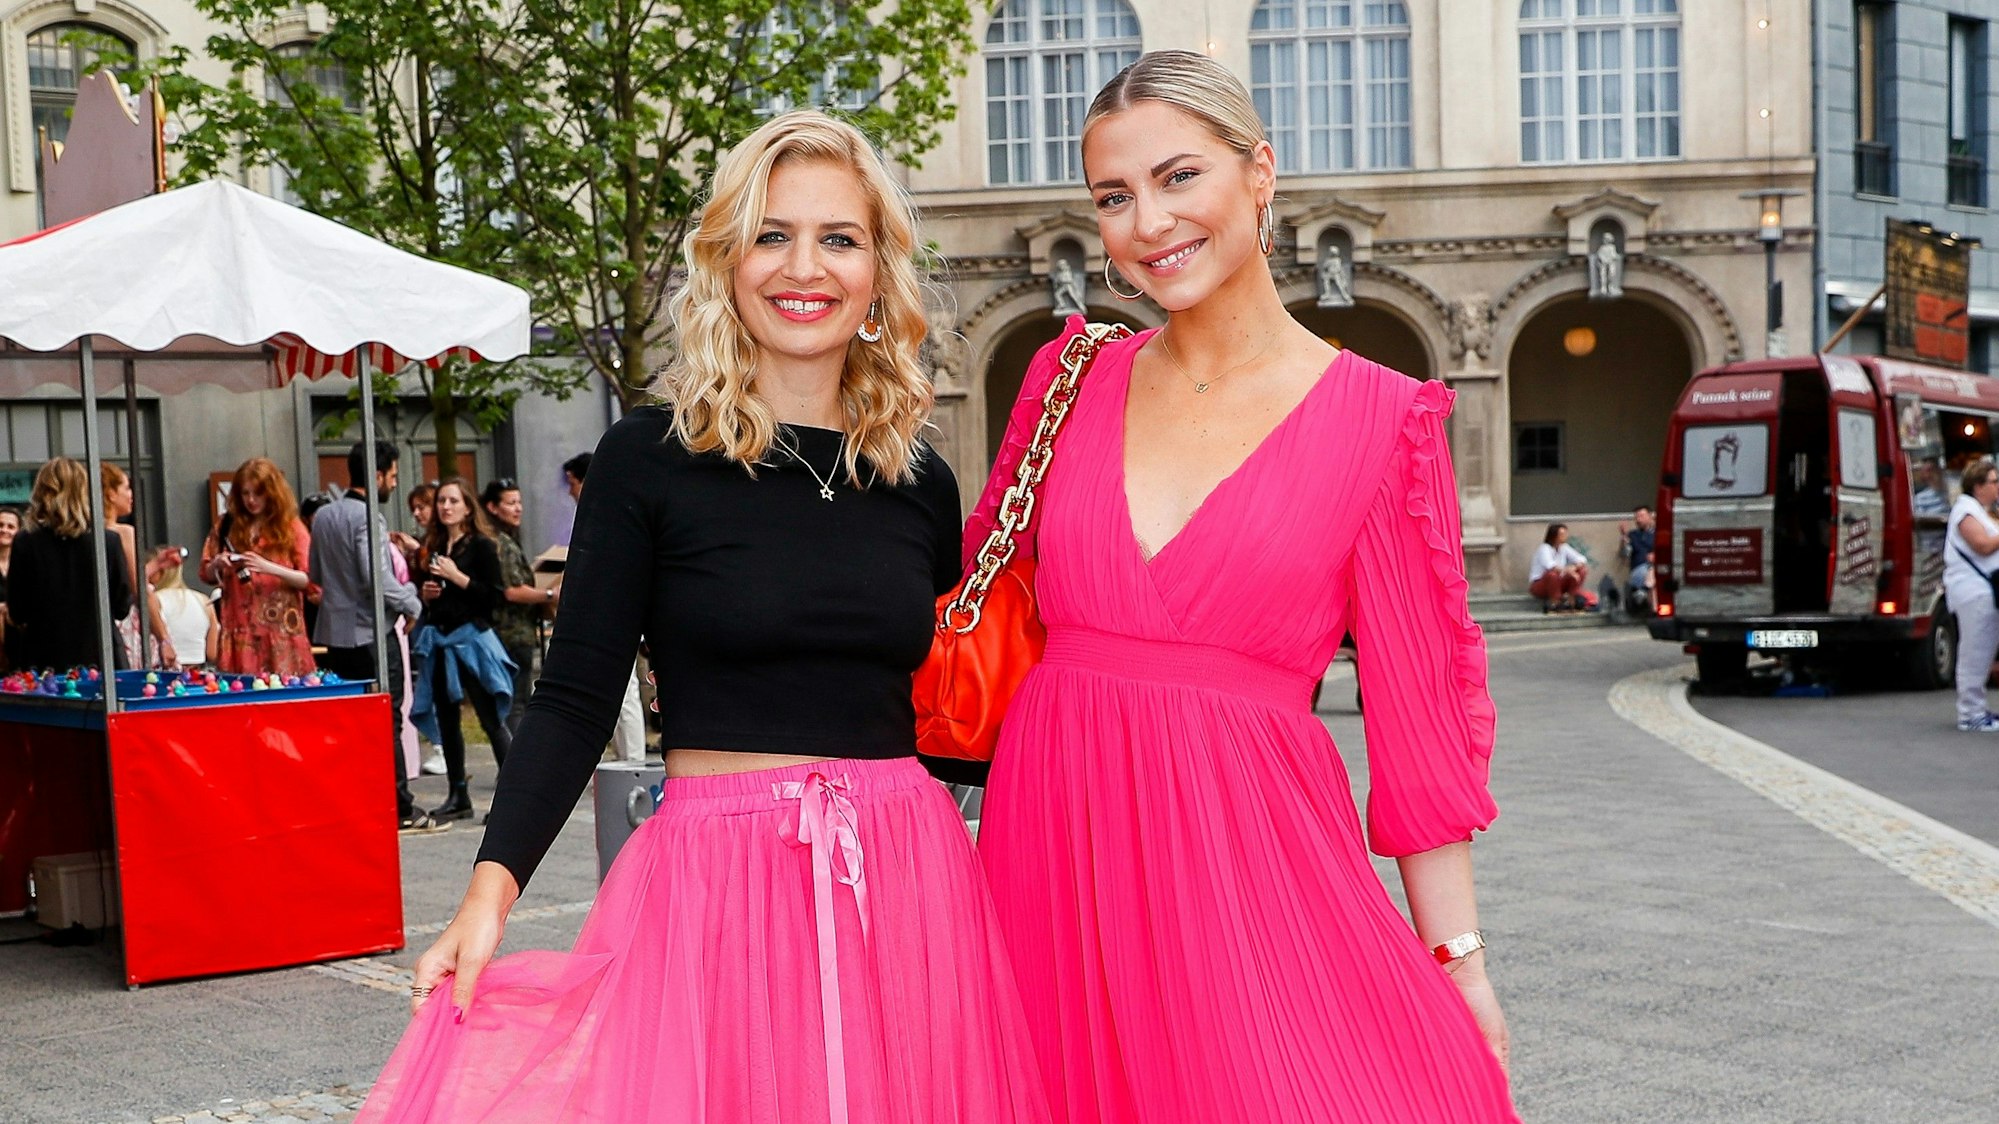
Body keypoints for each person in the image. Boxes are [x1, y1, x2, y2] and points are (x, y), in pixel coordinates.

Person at [357, 110, 1047, 1124]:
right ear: (727, 261)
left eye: (837, 238)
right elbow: (577, 695)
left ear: (877, 272)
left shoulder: (918, 478)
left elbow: (947, 706)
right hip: (715, 884)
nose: (802, 265)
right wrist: (486, 896)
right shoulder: (649, 457)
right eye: (771, 233)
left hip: (907, 880)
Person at [966, 52, 1514, 1123]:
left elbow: (1419, 723)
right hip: (1050, 851)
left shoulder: (1384, 420)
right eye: (1112, 197)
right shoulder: (1066, 381)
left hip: (1246, 860)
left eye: (1178, 178)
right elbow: (977, 593)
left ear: (1259, 173)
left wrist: (1460, 960)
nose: (1146, 222)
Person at [310, 441, 443, 833]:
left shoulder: (323, 516)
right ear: (379, 473)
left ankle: (358, 798)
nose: (393, 484)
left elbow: (316, 572)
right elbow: (376, 578)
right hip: (371, 633)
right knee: (386, 719)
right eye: (393, 476)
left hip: (335, 634)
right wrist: (413, 602)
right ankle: (399, 805)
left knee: (351, 722)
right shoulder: (369, 517)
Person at [410, 477, 515, 821]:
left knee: (489, 716)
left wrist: (458, 578)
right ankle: (458, 794)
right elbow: (435, 597)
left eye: (453, 501)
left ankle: (514, 798)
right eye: (441, 501)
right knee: (447, 720)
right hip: (441, 641)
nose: (446, 507)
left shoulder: (482, 546)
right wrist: (428, 595)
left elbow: (495, 596)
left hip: (471, 641)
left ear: (468, 507)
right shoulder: (437, 545)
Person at [560, 450, 645, 761]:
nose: (569, 492)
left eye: (570, 483)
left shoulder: (606, 509)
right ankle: (629, 757)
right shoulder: (616, 504)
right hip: (617, 604)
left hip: (617, 607)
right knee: (623, 690)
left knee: (624, 690)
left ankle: (632, 759)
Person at [6, 458, 132, 670]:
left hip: (43, 658)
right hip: (100, 656)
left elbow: (18, 611)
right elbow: (121, 607)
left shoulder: (25, 541)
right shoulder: (107, 541)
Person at [202, 458, 314, 677]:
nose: (251, 501)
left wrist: (270, 568)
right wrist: (218, 563)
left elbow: (309, 579)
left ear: (271, 493)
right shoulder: (227, 525)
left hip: (280, 632)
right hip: (240, 629)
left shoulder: (292, 527)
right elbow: (205, 572)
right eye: (245, 494)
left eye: (258, 493)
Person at [480, 477, 553, 735]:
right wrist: (550, 594)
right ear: (492, 508)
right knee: (516, 704)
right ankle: (517, 767)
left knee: (512, 702)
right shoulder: (502, 544)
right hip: (512, 635)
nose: (518, 508)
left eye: (519, 502)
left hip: (508, 635)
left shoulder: (498, 540)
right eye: (511, 503)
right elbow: (512, 591)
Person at [1946, 459, 1999, 732]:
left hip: (1986, 592)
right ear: (1978, 486)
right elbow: (1982, 545)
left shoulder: (1982, 511)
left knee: (1985, 648)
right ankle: (1970, 713)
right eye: (1993, 481)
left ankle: (1978, 709)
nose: (1997, 486)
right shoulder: (1965, 511)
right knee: (1975, 651)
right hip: (1974, 592)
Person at [149, 545, 218, 670]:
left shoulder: (153, 600)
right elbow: (212, 653)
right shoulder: (204, 601)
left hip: (165, 670)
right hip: (198, 673)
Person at [1529, 522, 1591, 612]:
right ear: (1554, 535)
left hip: (1559, 582)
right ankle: (1555, 602)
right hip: (1541, 584)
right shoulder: (1544, 548)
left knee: (1582, 570)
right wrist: (1568, 571)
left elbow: (1581, 558)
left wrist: (1574, 568)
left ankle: (1571, 600)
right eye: (1562, 534)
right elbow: (1550, 566)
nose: (1565, 536)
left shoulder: (1564, 547)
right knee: (1552, 574)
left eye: (1566, 533)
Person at [1617, 505, 1657, 614]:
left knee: (1653, 578)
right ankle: (1644, 590)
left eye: (1642, 516)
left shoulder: (1659, 533)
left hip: (1656, 568)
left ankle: (1653, 609)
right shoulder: (1632, 535)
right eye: (1636, 517)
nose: (1638, 519)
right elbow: (1624, 554)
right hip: (1639, 570)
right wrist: (1624, 537)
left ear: (1651, 516)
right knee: (1652, 574)